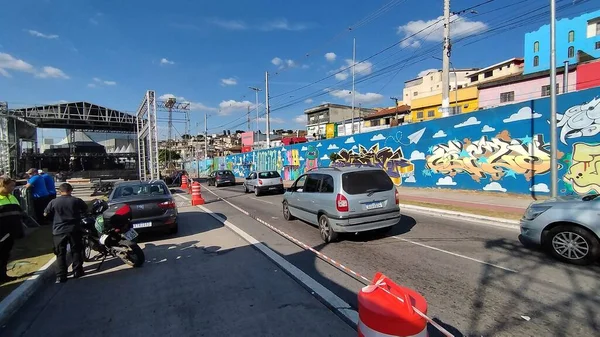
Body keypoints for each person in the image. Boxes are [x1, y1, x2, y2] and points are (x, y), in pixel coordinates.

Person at [44, 183, 88, 283]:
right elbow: (85, 210)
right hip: (74, 229)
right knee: (76, 250)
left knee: (60, 253)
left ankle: (61, 276)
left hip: (59, 230)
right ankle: (78, 271)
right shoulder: (76, 201)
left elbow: (46, 213)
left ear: (59, 191)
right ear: (71, 190)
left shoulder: (54, 202)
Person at [0, 177, 22, 283]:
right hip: (1, 234)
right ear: (3, 185)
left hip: (11, 234)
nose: (13, 188)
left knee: (5, 255)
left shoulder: (12, 197)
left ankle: (3, 276)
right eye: (11, 186)